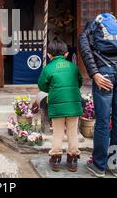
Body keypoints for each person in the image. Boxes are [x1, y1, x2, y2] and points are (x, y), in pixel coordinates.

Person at [78, 13, 117, 178]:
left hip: (104, 75)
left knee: (103, 122)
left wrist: (94, 74)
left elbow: (85, 51)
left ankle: (99, 166)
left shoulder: (89, 30)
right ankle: (115, 165)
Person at [38, 38, 83, 172]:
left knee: (57, 132)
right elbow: (79, 82)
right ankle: (73, 159)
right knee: (72, 132)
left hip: (57, 106)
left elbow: (42, 86)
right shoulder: (74, 67)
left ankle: (56, 158)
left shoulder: (48, 68)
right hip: (74, 106)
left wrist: (52, 89)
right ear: (66, 54)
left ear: (49, 55)